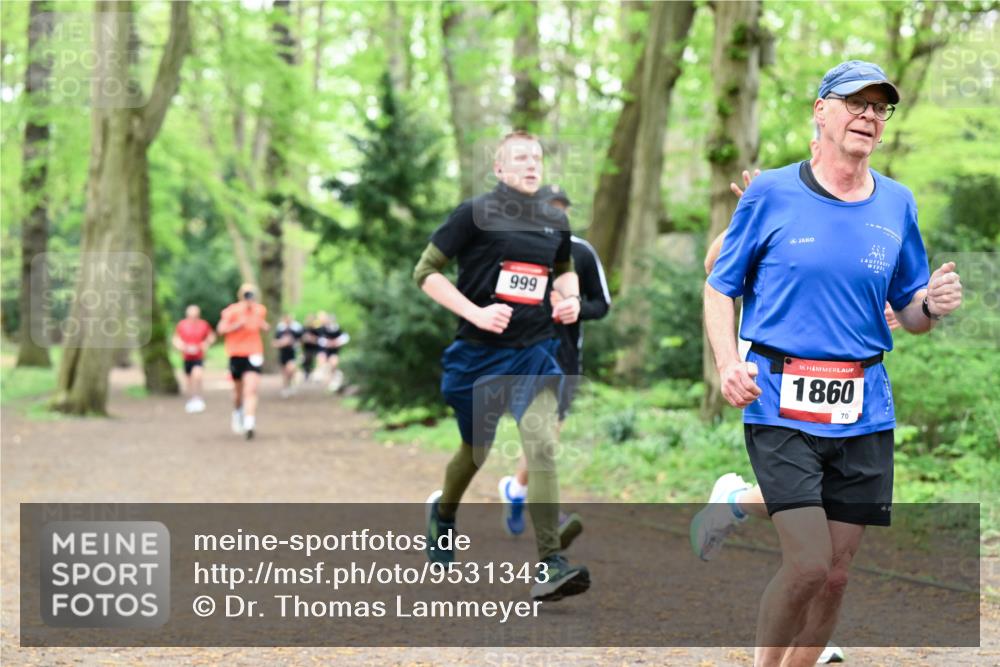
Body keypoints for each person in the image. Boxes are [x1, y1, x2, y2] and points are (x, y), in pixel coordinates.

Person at [702, 61, 962, 666]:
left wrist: (934, 304)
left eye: (879, 108)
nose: (868, 116)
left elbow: (912, 310)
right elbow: (720, 285)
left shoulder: (898, 202)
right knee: (809, 563)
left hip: (864, 409)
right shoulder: (772, 192)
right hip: (779, 400)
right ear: (821, 110)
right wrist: (725, 363)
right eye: (855, 103)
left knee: (837, 576)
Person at [414, 131, 590, 602]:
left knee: (541, 443)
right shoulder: (475, 213)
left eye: (536, 157)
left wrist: (569, 298)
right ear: (499, 169)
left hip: (533, 351)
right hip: (477, 355)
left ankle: (550, 561)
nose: (531, 164)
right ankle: (444, 515)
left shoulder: (554, 220)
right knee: (476, 450)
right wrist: (475, 312)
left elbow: (564, 268)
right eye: (520, 158)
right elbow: (425, 272)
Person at [497, 184, 611, 550]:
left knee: (549, 434)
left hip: (565, 358)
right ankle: (548, 515)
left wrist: (575, 307)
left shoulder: (581, 252)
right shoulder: (515, 250)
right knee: (542, 435)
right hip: (524, 354)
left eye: (561, 208)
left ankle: (516, 489)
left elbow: (602, 303)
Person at [217, 283, 269, 440]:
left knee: (251, 389)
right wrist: (235, 326)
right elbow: (221, 329)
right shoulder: (231, 311)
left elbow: (262, 325)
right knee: (238, 393)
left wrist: (263, 325)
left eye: (252, 294)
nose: (250, 297)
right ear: (241, 295)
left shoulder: (260, 310)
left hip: (254, 353)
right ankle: (237, 413)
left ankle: (249, 423)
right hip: (236, 354)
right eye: (247, 294)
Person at [171, 304, 216, 413]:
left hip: (198, 356)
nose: (193, 318)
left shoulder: (203, 325)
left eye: (195, 315)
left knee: (197, 375)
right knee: (189, 379)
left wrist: (205, 344)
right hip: (186, 356)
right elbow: (176, 338)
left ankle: (198, 398)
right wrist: (180, 346)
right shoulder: (182, 325)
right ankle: (192, 399)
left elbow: (211, 336)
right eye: (191, 315)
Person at [273, 313, 303, 398]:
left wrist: (293, 343)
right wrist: (282, 343)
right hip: (283, 353)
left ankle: (291, 384)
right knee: (284, 372)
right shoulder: (279, 331)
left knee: (291, 369)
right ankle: (286, 387)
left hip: (292, 353)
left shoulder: (295, 330)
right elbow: (274, 343)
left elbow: (300, 340)